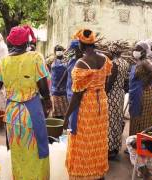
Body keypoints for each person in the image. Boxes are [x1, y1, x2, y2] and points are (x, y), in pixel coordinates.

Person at [0, 25, 51, 179]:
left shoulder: (4, 63)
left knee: (17, 152)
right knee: (36, 151)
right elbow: (44, 88)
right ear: (26, 42)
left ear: (11, 43)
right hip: (31, 113)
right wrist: (48, 103)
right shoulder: (35, 57)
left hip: (12, 114)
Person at [64, 29, 112, 180]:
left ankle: (83, 174)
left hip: (87, 105)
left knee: (83, 140)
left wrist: (66, 117)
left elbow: (77, 95)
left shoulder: (81, 63)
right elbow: (109, 79)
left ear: (80, 44)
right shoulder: (105, 59)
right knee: (98, 139)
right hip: (101, 103)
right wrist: (100, 90)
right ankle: (98, 173)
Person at [128, 41, 152, 136]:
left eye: (137, 49)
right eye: (135, 49)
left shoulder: (145, 62)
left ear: (143, 52)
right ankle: (134, 142)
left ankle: (138, 143)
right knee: (136, 118)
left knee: (140, 119)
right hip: (136, 93)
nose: (135, 51)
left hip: (141, 94)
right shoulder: (139, 62)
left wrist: (146, 83)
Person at [106, 41, 130, 158]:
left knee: (110, 121)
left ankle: (110, 150)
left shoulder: (114, 64)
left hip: (112, 94)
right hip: (120, 94)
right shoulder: (125, 63)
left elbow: (110, 82)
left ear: (112, 52)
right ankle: (115, 147)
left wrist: (104, 93)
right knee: (117, 119)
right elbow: (126, 81)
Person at [50, 45, 68, 119]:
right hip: (54, 89)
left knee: (65, 112)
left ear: (63, 51)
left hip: (64, 90)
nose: (59, 51)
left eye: (60, 50)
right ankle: (57, 127)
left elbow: (67, 72)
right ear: (55, 51)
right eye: (57, 50)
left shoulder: (66, 60)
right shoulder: (51, 60)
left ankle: (64, 127)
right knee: (56, 113)